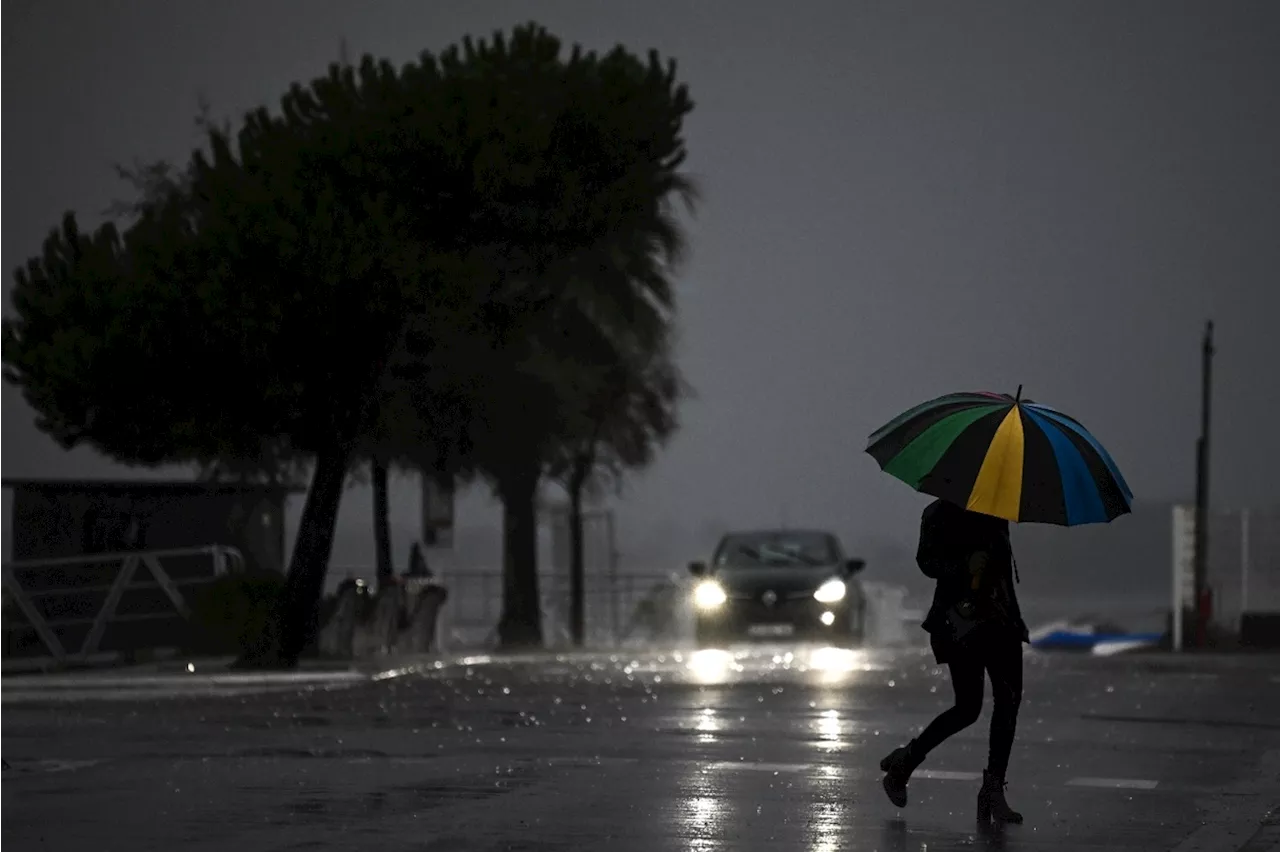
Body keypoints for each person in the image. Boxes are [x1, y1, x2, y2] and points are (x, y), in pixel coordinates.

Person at [879, 498, 1030, 825]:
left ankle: (992, 789)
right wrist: (965, 565)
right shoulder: (938, 513)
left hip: (1001, 621)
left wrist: (1014, 620)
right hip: (960, 623)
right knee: (968, 708)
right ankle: (904, 764)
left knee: (1009, 700)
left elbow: (1003, 570)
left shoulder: (997, 513)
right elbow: (927, 562)